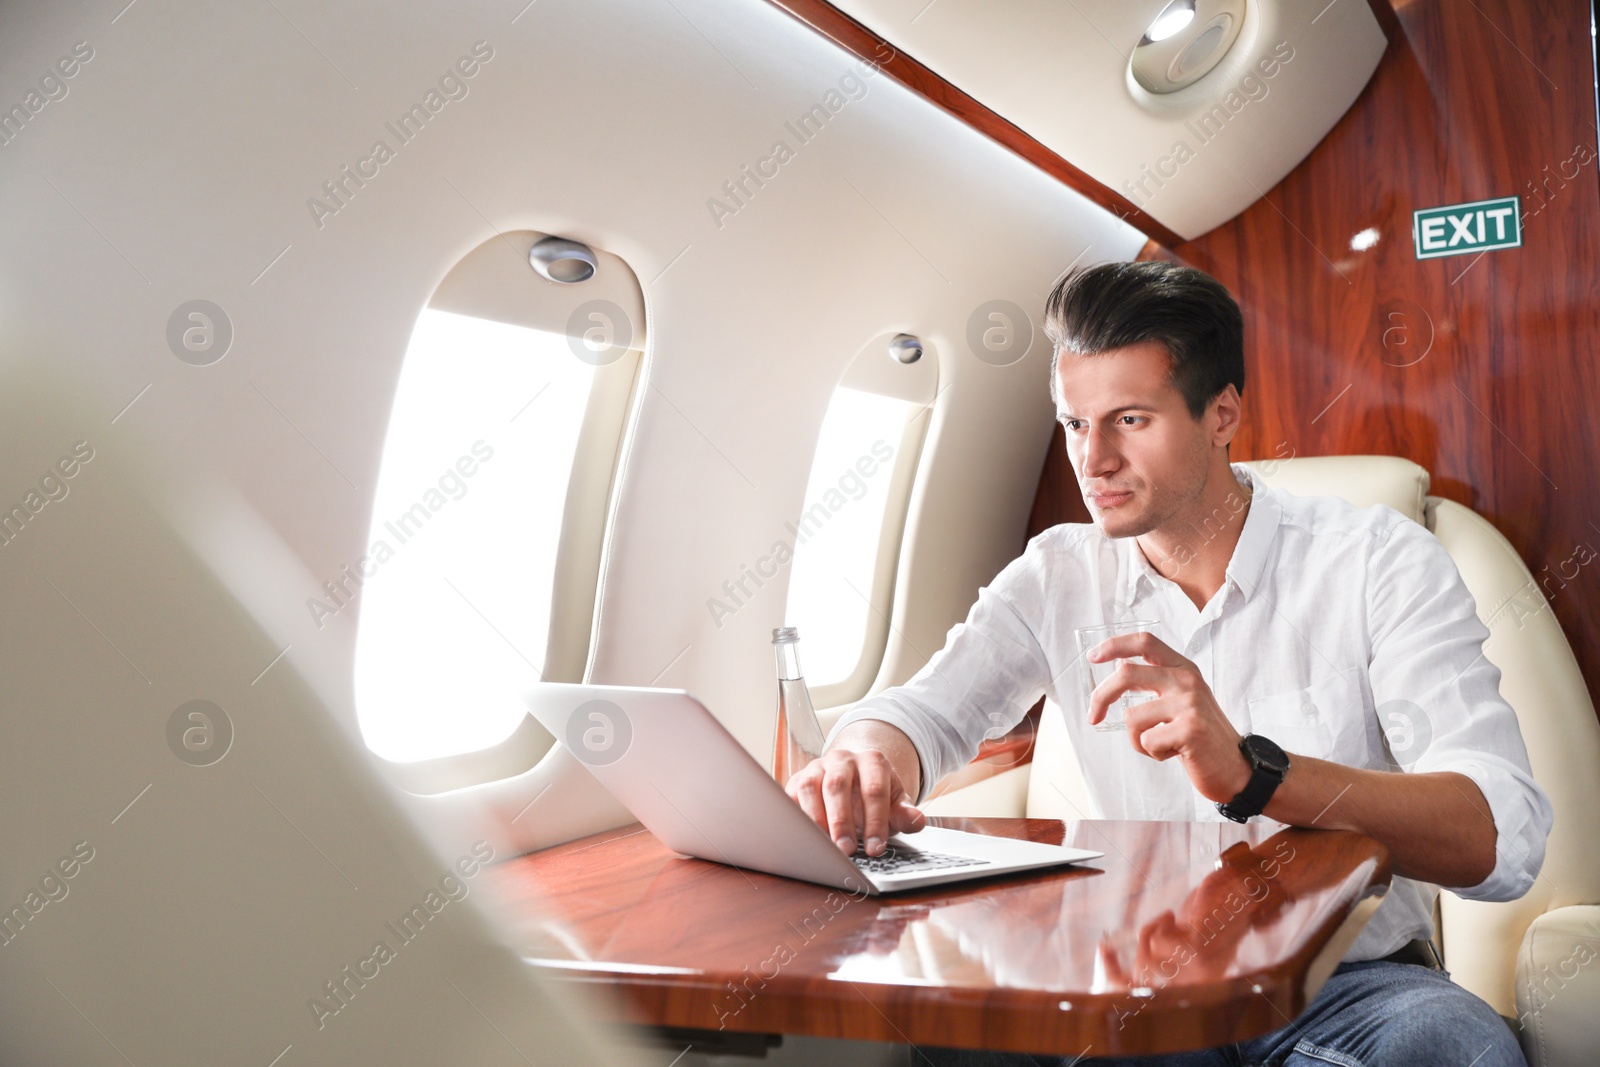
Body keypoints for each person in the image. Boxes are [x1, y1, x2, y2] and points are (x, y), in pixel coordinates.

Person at [784, 261, 1552, 1065]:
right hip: (1143, 982)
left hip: (1350, 986)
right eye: (1074, 424)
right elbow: (925, 712)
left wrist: (1258, 774)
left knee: (1460, 1050)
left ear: (1222, 413)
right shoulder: (1056, 574)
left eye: (1129, 419)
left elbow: (1500, 836)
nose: (1094, 459)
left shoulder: (1376, 559)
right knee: (961, 1032)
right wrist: (865, 757)